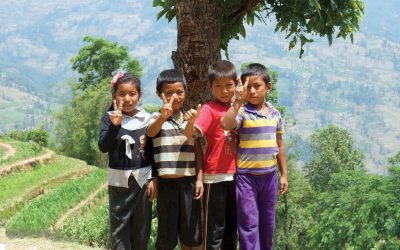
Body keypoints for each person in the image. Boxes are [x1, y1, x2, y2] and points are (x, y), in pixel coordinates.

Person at [221, 63, 288, 250]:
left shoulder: (275, 114)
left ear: (268, 87)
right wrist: (237, 102)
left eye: (256, 86)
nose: (251, 91)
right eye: (247, 86)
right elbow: (226, 125)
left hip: (270, 177)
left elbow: (280, 145)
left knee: (268, 224)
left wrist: (284, 175)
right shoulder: (242, 113)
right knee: (249, 225)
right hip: (246, 179)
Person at [98, 72, 158, 250]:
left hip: (142, 183)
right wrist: (115, 127)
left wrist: (154, 178)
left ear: (139, 95)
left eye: (132, 94)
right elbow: (103, 146)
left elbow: (154, 151)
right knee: (118, 230)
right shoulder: (108, 119)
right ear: (114, 96)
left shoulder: (147, 119)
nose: (127, 98)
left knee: (141, 230)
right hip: (118, 184)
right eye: (121, 94)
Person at [146, 69, 203, 250]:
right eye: (168, 93)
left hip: (188, 184)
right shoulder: (156, 117)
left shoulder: (190, 119)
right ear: (159, 94)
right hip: (165, 185)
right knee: (166, 235)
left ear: (186, 92)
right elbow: (151, 132)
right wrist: (163, 116)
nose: (174, 97)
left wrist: (199, 180)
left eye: (179, 92)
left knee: (189, 235)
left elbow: (192, 139)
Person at [184, 60, 238, 250]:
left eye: (229, 86)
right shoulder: (209, 109)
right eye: (219, 87)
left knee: (232, 230)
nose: (225, 91)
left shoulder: (239, 108)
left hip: (237, 176)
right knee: (214, 230)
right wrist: (190, 122)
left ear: (237, 84)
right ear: (210, 87)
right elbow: (191, 134)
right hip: (215, 176)